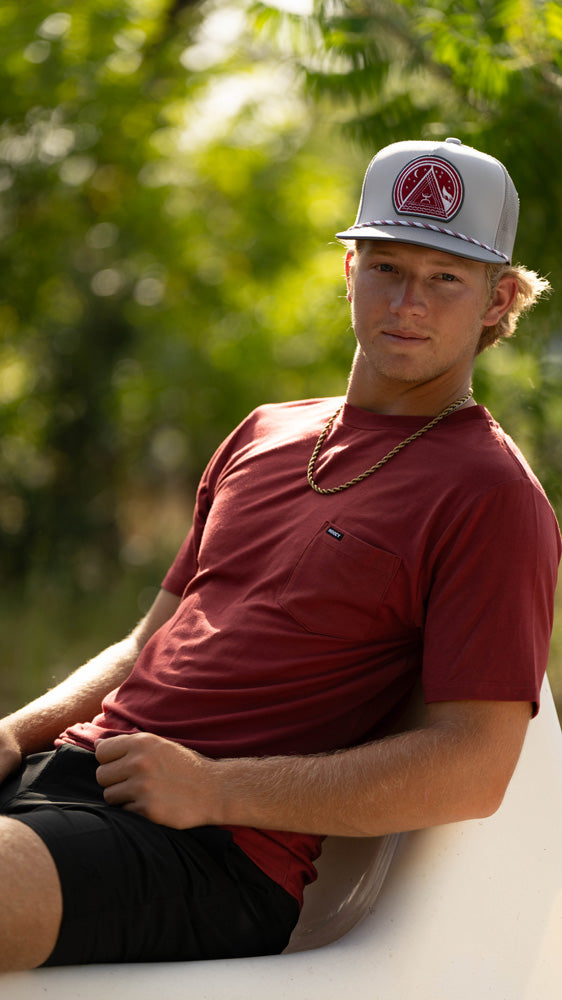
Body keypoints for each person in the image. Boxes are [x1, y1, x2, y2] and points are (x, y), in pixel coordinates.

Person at [0, 137, 559, 972]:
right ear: (348, 272)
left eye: (445, 277)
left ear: (497, 299)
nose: (408, 301)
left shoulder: (493, 496)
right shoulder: (266, 431)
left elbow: (474, 767)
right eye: (386, 266)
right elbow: (145, 643)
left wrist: (215, 788)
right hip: (73, 774)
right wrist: (16, 731)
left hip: (214, 852)